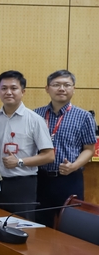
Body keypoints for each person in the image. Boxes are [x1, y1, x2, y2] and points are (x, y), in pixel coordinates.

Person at [33, 70, 97, 228]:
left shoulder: (84, 117)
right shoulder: (36, 115)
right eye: (56, 85)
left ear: (73, 89)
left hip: (70, 180)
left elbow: (89, 148)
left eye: (66, 85)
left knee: (71, 227)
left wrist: (74, 166)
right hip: (40, 179)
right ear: (47, 88)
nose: (61, 88)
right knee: (40, 226)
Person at [0, 71, 54, 219]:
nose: (8, 92)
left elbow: (49, 156)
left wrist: (19, 162)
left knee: (22, 228)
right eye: (4, 88)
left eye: (14, 88)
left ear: (23, 91)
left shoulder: (35, 120)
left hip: (22, 184)